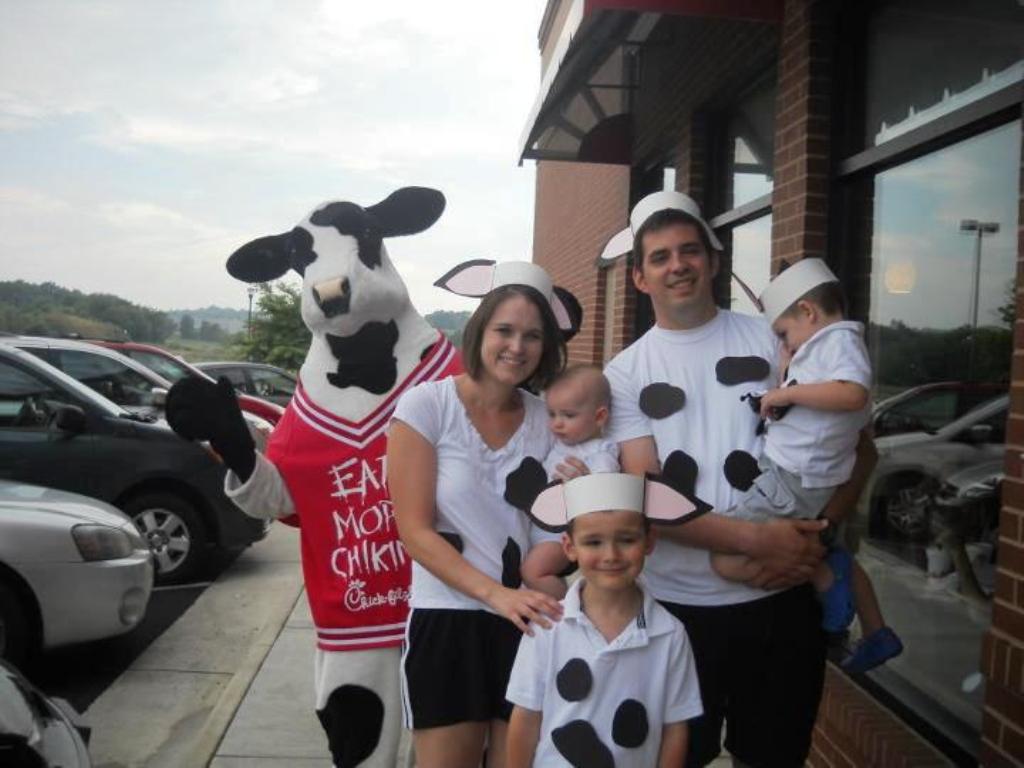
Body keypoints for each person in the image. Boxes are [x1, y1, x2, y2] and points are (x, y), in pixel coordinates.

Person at [598, 190, 877, 768]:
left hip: (785, 601)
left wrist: (818, 535)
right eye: (660, 256)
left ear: (713, 260)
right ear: (640, 278)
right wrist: (757, 539)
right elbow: (647, 494)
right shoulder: (624, 374)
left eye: (690, 250)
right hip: (677, 610)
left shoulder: (778, 342)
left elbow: (860, 451)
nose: (678, 265)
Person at [388, 260, 581, 768]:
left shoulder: (548, 421)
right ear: (479, 331)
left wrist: (579, 498)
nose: (517, 346)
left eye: (533, 335)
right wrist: (497, 596)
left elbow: (553, 531)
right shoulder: (426, 406)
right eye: (505, 330)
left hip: (526, 622)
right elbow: (414, 531)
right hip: (447, 619)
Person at [710, 258, 903, 673]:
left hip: (791, 480)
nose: (784, 342)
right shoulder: (821, 351)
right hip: (805, 478)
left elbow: (852, 394)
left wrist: (784, 395)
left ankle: (822, 575)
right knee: (827, 550)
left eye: (784, 332)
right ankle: (871, 624)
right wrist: (787, 368)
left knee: (723, 559)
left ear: (808, 312)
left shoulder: (839, 342)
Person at [507, 472, 704, 768]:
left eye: (626, 540)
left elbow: (674, 728)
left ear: (649, 541)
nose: (611, 555)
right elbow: (526, 717)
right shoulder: (547, 626)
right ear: (569, 547)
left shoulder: (669, 634)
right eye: (593, 542)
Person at [521, 364, 620, 597]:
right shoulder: (559, 443)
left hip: (561, 535)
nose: (557, 423)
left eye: (568, 415)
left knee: (533, 572)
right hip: (538, 529)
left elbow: (606, 500)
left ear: (599, 417)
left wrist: (586, 485)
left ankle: (566, 608)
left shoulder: (600, 453)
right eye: (552, 414)